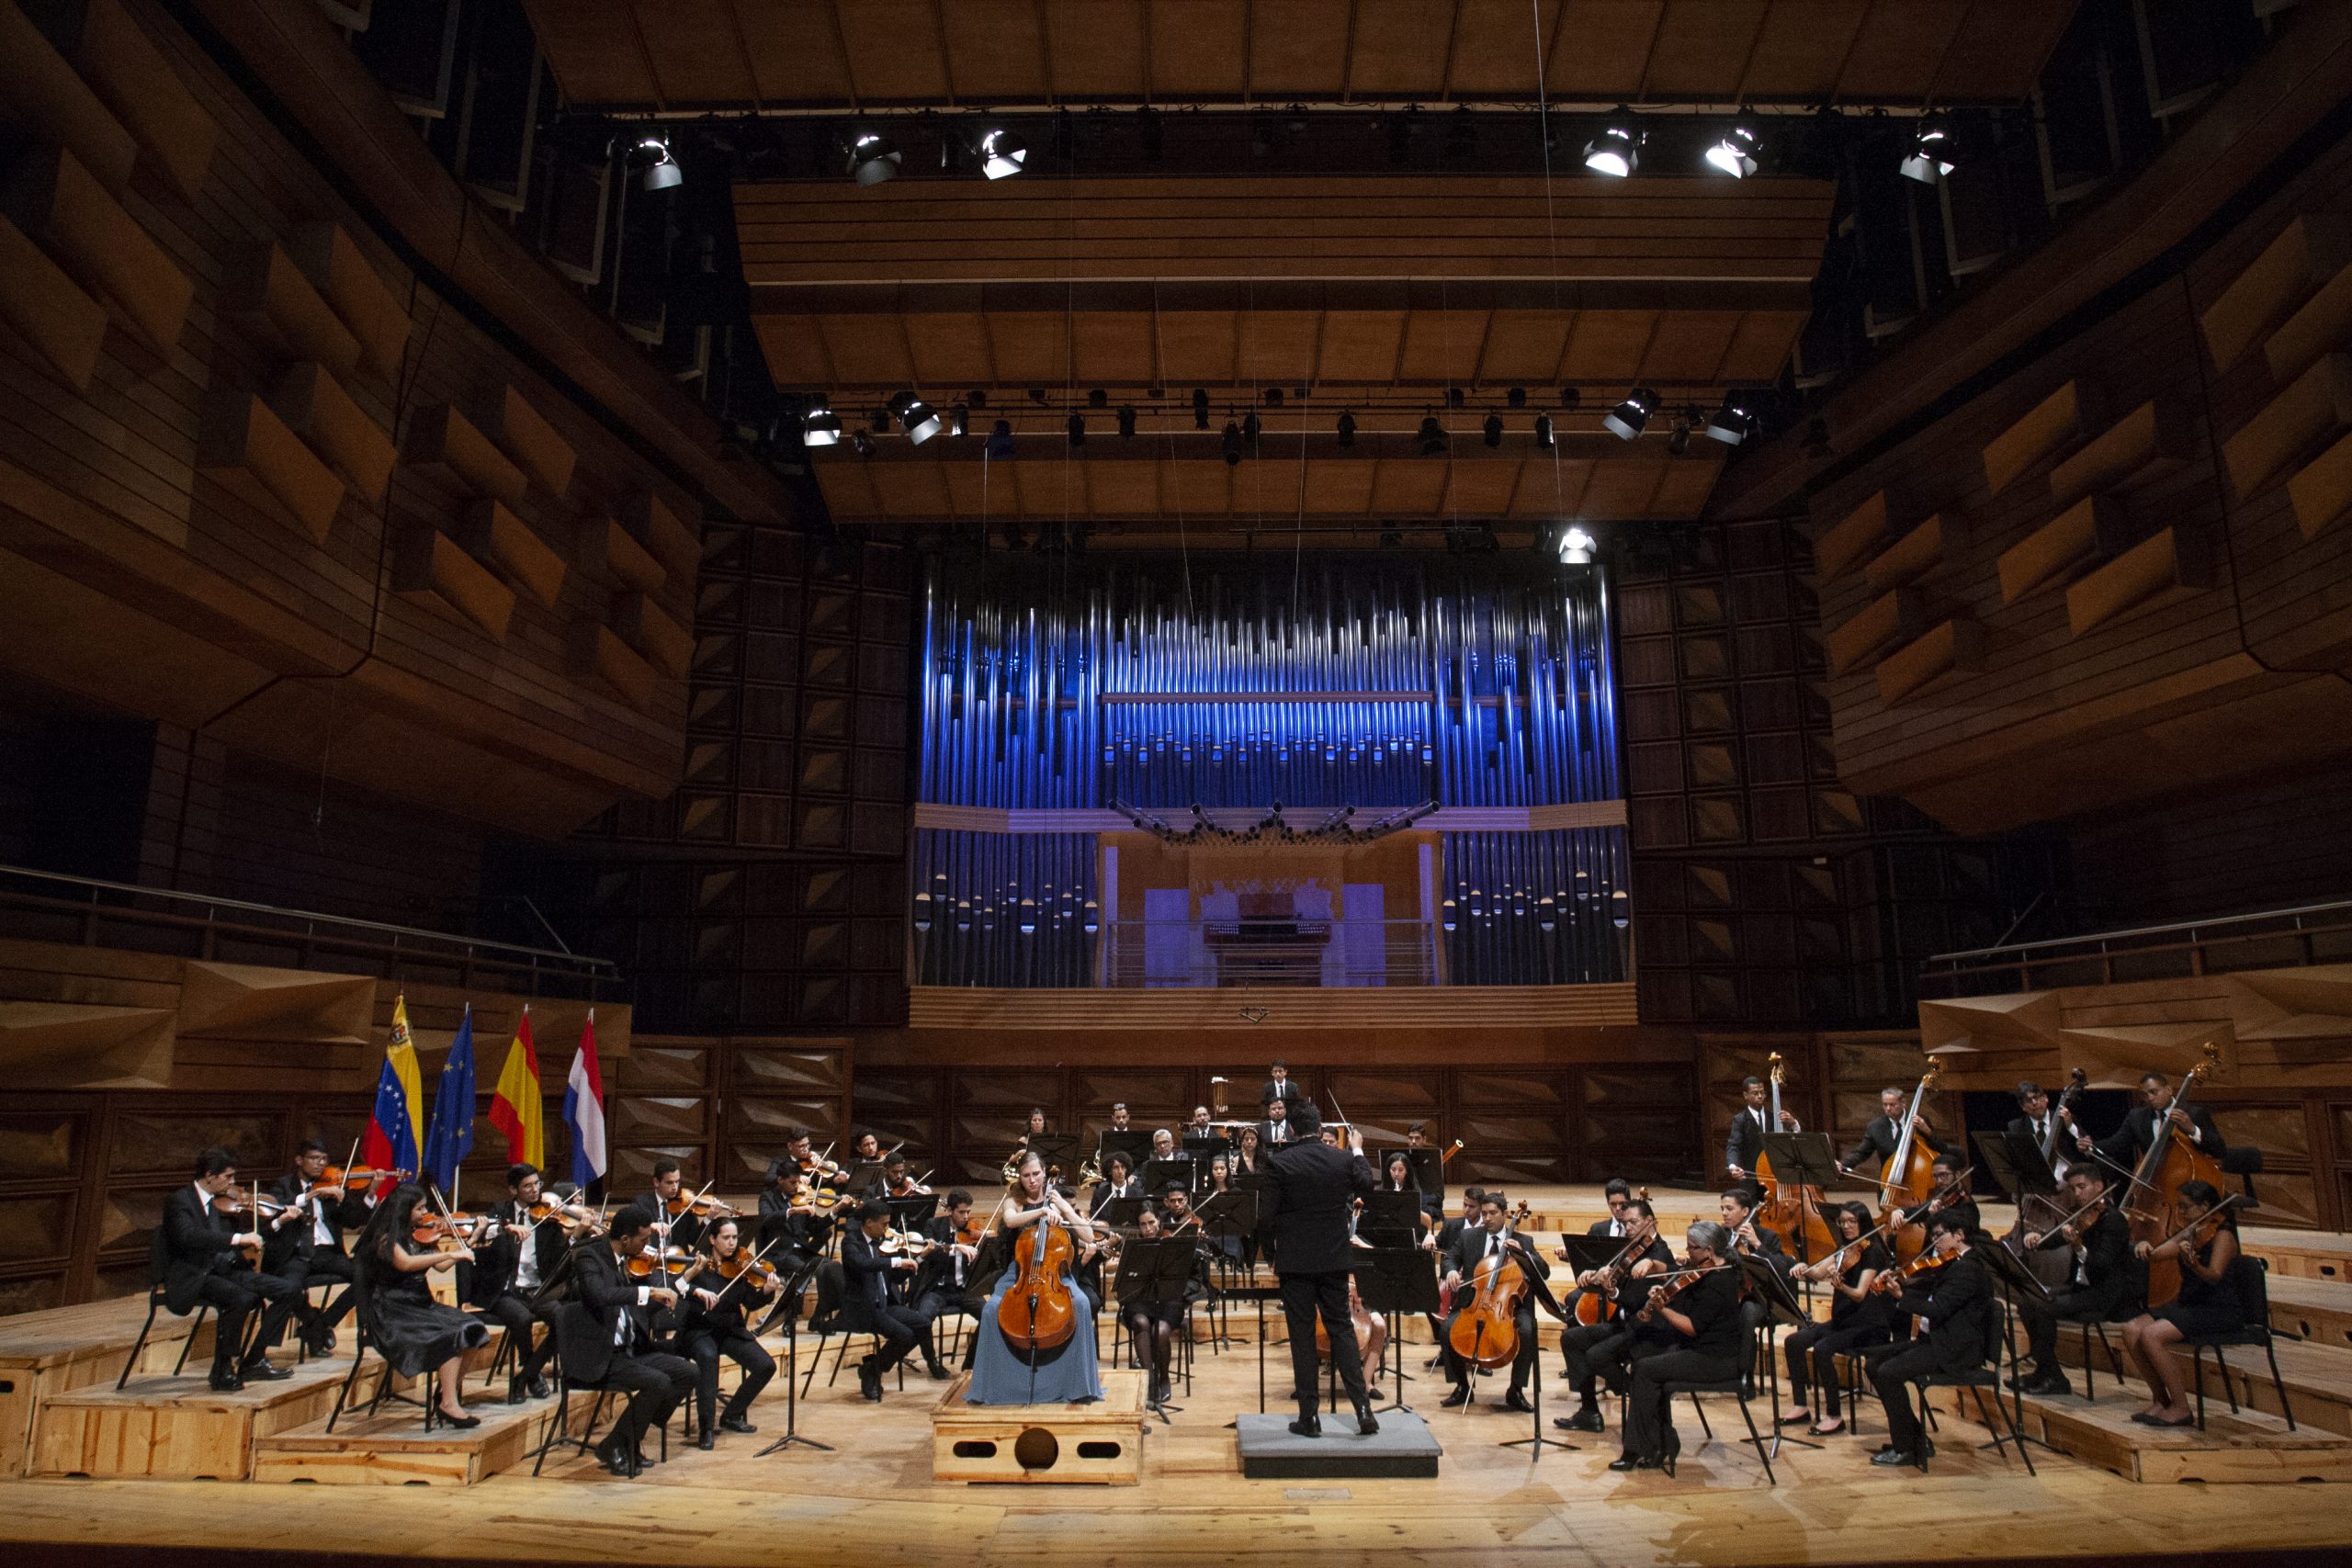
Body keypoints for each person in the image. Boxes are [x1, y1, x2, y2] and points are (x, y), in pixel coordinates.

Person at [553, 1203, 695, 1476]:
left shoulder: (625, 1262)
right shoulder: (590, 1257)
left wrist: (676, 1286)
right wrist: (648, 1292)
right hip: (601, 1355)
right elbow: (599, 1295)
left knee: (688, 1373)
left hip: (630, 1350)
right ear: (626, 1239)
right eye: (644, 1239)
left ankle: (627, 1438)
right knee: (658, 1382)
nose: (647, 1246)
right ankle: (618, 1444)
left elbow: (633, 1310)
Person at [1263, 1101, 1377, 1437]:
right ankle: (1363, 1411)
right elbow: (1367, 1183)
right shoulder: (1342, 1159)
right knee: (1341, 1330)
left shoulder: (1280, 1162)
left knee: (1302, 1336)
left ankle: (1309, 1418)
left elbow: (1265, 1218)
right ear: (1319, 1127)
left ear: (1292, 1130)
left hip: (1295, 1261)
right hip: (1333, 1258)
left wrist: (1271, 1255)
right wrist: (1357, 1149)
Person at [968, 1151, 1104, 1405]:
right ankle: (991, 1386)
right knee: (991, 1309)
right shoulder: (1015, 1200)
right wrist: (1041, 1212)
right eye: (1026, 1175)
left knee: (1082, 1304)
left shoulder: (1057, 1200)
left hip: (1054, 1272)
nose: (1032, 1180)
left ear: (1044, 1173)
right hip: (1019, 1272)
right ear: (1019, 1178)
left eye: (1036, 1174)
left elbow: (1088, 1236)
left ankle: (1080, 1385)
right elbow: (1011, 1221)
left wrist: (1064, 1208)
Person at [163, 1146, 301, 1391]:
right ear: (209, 1175)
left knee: (288, 1289)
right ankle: (222, 1369)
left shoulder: (217, 1204)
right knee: (241, 1298)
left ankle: (254, 1359)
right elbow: (188, 1236)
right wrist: (237, 1239)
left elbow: (244, 1238)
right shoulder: (181, 1201)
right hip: (195, 1274)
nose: (232, 1182)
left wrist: (278, 1222)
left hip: (224, 1269)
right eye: (228, 1176)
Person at [351, 1184, 490, 1427]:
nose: (426, 1213)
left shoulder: (423, 1234)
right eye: (420, 1208)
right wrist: (450, 1254)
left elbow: (441, 1267)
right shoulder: (386, 1239)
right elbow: (406, 1263)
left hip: (422, 1304)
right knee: (451, 1335)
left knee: (474, 1328)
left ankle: (446, 1394)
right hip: (393, 1311)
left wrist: (473, 1239)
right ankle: (450, 1404)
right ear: (404, 1210)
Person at [1612, 1221, 1745, 1472]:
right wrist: (1652, 1264)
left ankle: (1638, 1448)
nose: (1687, 1251)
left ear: (1709, 1251)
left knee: (1645, 1369)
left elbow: (1692, 1327)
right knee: (1644, 1358)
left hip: (1714, 1360)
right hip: (1699, 1351)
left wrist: (1662, 1308)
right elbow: (1673, 1269)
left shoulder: (1718, 1282)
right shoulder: (1705, 1270)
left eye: (1692, 1247)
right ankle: (1661, 1442)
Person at [1867, 1213, 1993, 1466]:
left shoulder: (1969, 1269)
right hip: (1936, 1341)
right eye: (1933, 1236)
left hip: (1954, 1349)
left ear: (1959, 1235)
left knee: (1888, 1373)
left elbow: (1939, 1308)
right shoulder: (1951, 1264)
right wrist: (1897, 1282)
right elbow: (1925, 1285)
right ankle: (1915, 1438)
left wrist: (1902, 1296)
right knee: (1873, 1364)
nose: (1934, 1242)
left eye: (1939, 1235)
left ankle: (1907, 1448)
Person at [2120, 1179, 2241, 1427]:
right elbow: (2156, 1255)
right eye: (2180, 1207)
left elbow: (2214, 1275)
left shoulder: (2223, 1234)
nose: (2181, 1213)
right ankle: (2161, 1400)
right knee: (2131, 1330)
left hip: (2217, 1308)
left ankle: (2182, 1407)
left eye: (2185, 1207)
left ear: (2204, 1206)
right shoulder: (2192, 1231)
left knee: (2151, 1335)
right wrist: (2144, 1246)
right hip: (2190, 1304)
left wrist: (2194, 1264)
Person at [2015, 1164, 2141, 1397]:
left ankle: (2053, 1377)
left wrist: (2079, 1247)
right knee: (2026, 1301)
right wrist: (2038, 1239)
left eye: (2082, 1187)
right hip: (2080, 1289)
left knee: (2042, 1307)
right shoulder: (2083, 1215)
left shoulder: (2113, 1221)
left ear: (2099, 1186)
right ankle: (2045, 1371)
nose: (2077, 1194)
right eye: (2073, 1189)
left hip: (2104, 1295)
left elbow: (2102, 1266)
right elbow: (2057, 1238)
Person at [1554, 1195, 1673, 1434]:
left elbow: (1635, 1301)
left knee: (1596, 1355)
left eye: (1633, 1222)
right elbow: (1613, 1279)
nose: (1628, 1228)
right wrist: (1593, 1277)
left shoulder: (1660, 1255)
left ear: (1650, 1222)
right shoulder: (1631, 1250)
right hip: (1625, 1325)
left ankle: (1640, 1393)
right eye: (1625, 1223)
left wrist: (1612, 1290)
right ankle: (1589, 1412)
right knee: (1572, 1338)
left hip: (1645, 1330)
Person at [1781, 1201, 1890, 1436]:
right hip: (1843, 1323)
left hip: (1868, 1325)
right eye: (1843, 1222)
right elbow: (1818, 1272)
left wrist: (1841, 1286)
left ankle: (1834, 1416)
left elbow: (1859, 1294)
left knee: (1822, 1349)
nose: (1847, 1226)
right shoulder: (1845, 1249)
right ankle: (1800, 1406)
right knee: (1794, 1342)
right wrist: (1803, 1267)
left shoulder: (1873, 1252)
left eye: (1852, 1222)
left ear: (1863, 1222)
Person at [1437, 1191, 1550, 1411]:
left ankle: (1516, 1390)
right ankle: (1462, 1386)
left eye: (1493, 1213)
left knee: (1527, 1331)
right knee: (1447, 1330)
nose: (1487, 1218)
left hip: (1509, 1307)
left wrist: (1524, 1254)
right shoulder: (1469, 1237)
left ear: (1505, 1214)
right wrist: (1450, 1271)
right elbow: (1449, 1259)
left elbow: (1543, 1272)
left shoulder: (1523, 1241)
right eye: (1484, 1213)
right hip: (1474, 1303)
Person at [674, 1218, 780, 1447]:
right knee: (707, 1358)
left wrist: (766, 1291)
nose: (732, 1243)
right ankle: (706, 1428)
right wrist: (696, 1290)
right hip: (700, 1330)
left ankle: (732, 1414)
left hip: (730, 1330)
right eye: (726, 1238)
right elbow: (678, 1286)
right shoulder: (698, 1264)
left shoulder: (740, 1267)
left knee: (766, 1366)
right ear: (712, 1239)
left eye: (734, 1238)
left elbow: (750, 1302)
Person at [471, 1162, 571, 1401]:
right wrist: (506, 1228)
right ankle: (530, 1372)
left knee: (564, 1318)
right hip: (506, 1290)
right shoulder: (501, 1211)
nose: (535, 1190)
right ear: (513, 1190)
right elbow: (482, 1231)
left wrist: (574, 1234)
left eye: (537, 1184)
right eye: (527, 1186)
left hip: (537, 1290)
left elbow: (561, 1256)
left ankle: (527, 1375)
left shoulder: (548, 1216)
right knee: (522, 1318)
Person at [263, 1139, 371, 1355]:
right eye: (314, 1158)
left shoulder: (332, 1185)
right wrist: (310, 1195)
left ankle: (321, 1324)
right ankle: (312, 1321)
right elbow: (275, 1207)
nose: (320, 1164)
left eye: (324, 1159)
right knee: (289, 1288)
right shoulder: (284, 1185)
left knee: (368, 1277)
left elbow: (354, 1221)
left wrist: (365, 1195)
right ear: (299, 1160)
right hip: (296, 1254)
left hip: (327, 1253)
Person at [841, 1200, 946, 1396]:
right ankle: (873, 1372)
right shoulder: (851, 1242)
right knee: (904, 1335)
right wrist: (896, 1261)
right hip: (863, 1308)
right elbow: (862, 1264)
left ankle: (872, 1367)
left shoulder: (881, 1243)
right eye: (884, 1224)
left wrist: (920, 1257)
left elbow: (896, 1277)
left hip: (885, 1304)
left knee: (923, 1324)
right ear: (869, 1223)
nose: (888, 1229)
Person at [2083, 1070, 2225, 1171]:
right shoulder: (2137, 1117)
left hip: (2191, 1179)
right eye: (2145, 1095)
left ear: (2169, 1089)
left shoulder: (2193, 1113)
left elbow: (2219, 1149)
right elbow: (2117, 1144)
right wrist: (2090, 1146)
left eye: (2154, 1092)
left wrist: (2192, 1129)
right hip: (2156, 1179)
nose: (2150, 1098)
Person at [1119, 1206, 1188, 1404]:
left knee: (1160, 1331)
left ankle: (1164, 1378)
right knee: (1140, 1322)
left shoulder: (1172, 1244)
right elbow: (1124, 1281)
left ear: (1159, 1221)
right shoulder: (1133, 1247)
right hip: (1140, 1299)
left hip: (1168, 1299)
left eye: (1151, 1223)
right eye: (1143, 1224)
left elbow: (1184, 1274)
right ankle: (1150, 1380)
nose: (1148, 1228)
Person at [1724, 1075, 1800, 1198]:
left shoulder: (1774, 1118)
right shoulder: (1740, 1120)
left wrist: (1793, 1123)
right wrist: (1733, 1166)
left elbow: (1792, 1141)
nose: (1760, 1096)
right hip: (1751, 1180)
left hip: (1775, 1178)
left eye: (1762, 1093)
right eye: (1755, 1093)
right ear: (1745, 1095)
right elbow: (1734, 1146)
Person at [1840, 1086, 1943, 1176]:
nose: (1888, 1108)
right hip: (1889, 1180)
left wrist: (1927, 1131)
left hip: (1917, 1177)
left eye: (1892, 1104)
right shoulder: (1875, 1127)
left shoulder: (1919, 1121)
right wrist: (1843, 1164)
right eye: (1885, 1105)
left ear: (1903, 1103)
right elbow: (1861, 1153)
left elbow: (1939, 1148)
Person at [645, 1158, 710, 1251]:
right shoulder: (643, 1204)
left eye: (677, 1181)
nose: (675, 1187)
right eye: (670, 1183)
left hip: (681, 1258)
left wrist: (708, 1218)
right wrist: (651, 1226)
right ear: (656, 1182)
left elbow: (695, 1240)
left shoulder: (685, 1205)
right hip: (654, 1257)